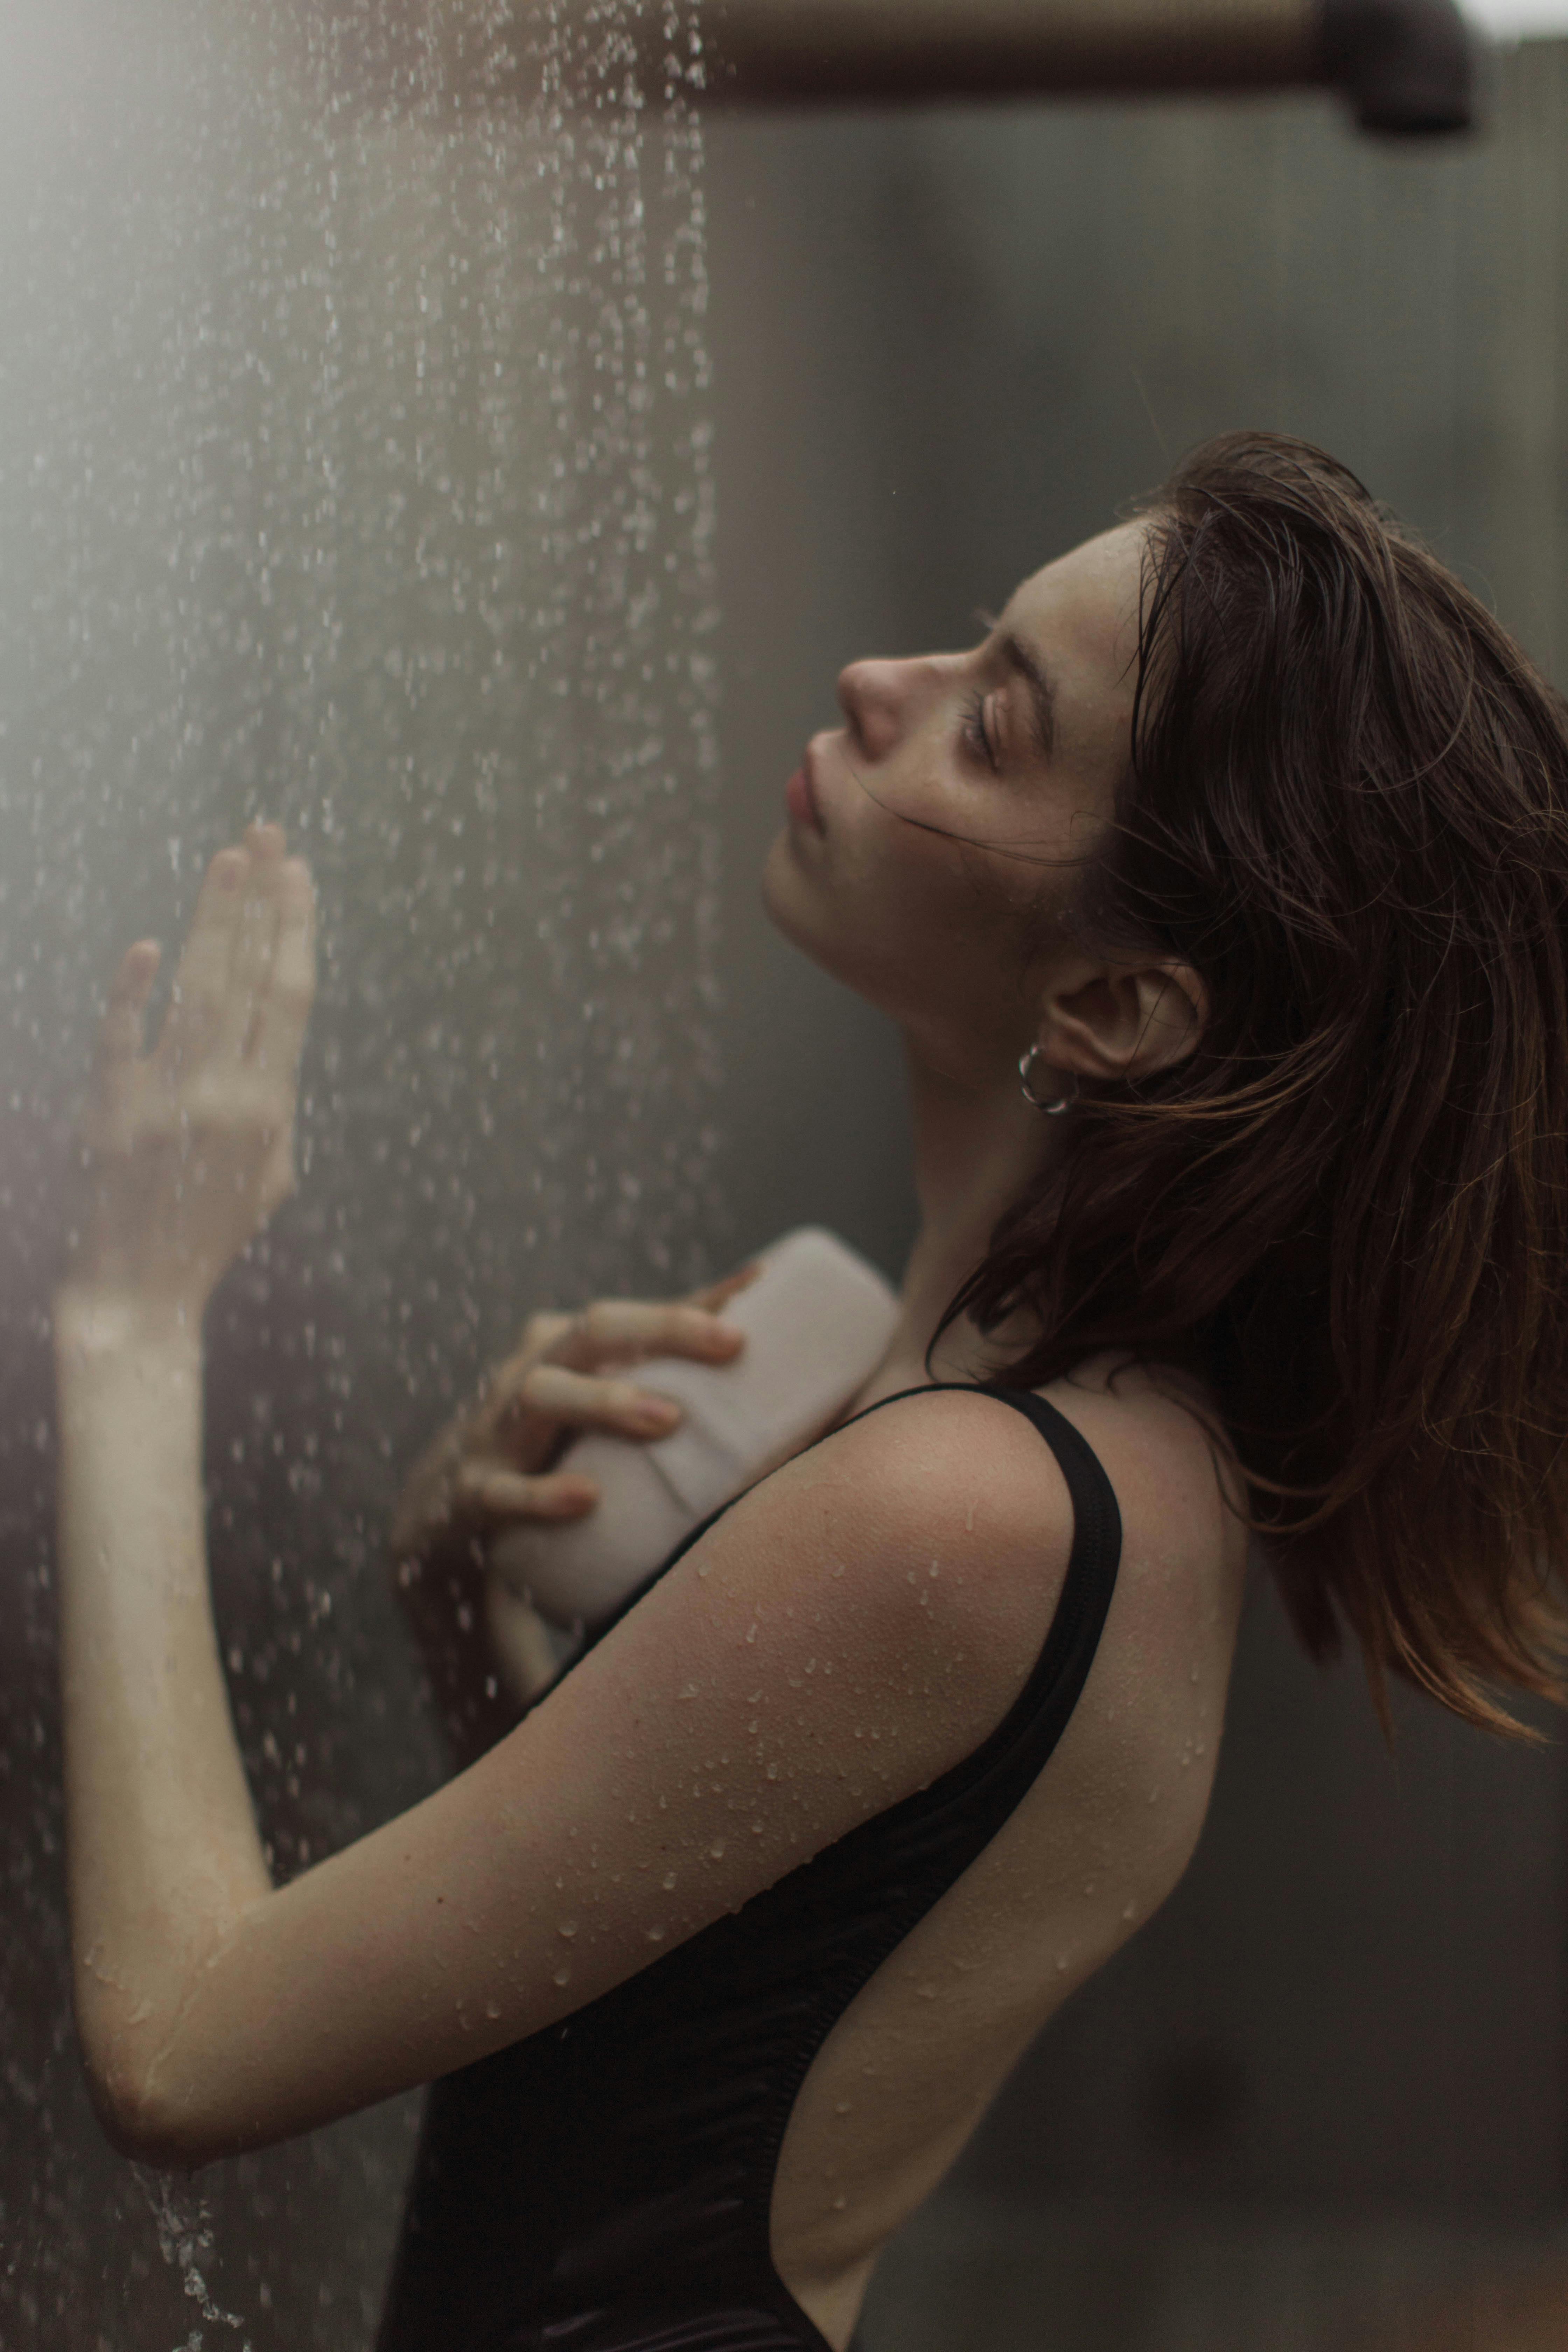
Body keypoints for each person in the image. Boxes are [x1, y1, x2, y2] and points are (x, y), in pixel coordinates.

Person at [51, 431, 1568, 2352]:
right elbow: (677, 2007)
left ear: (1113, 1007)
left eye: (993, 724)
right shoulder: (1031, 1430)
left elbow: (185, 2048)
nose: (880, 684)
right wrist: (464, 1598)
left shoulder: (972, 1511)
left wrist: (134, 1309)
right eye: (966, 645)